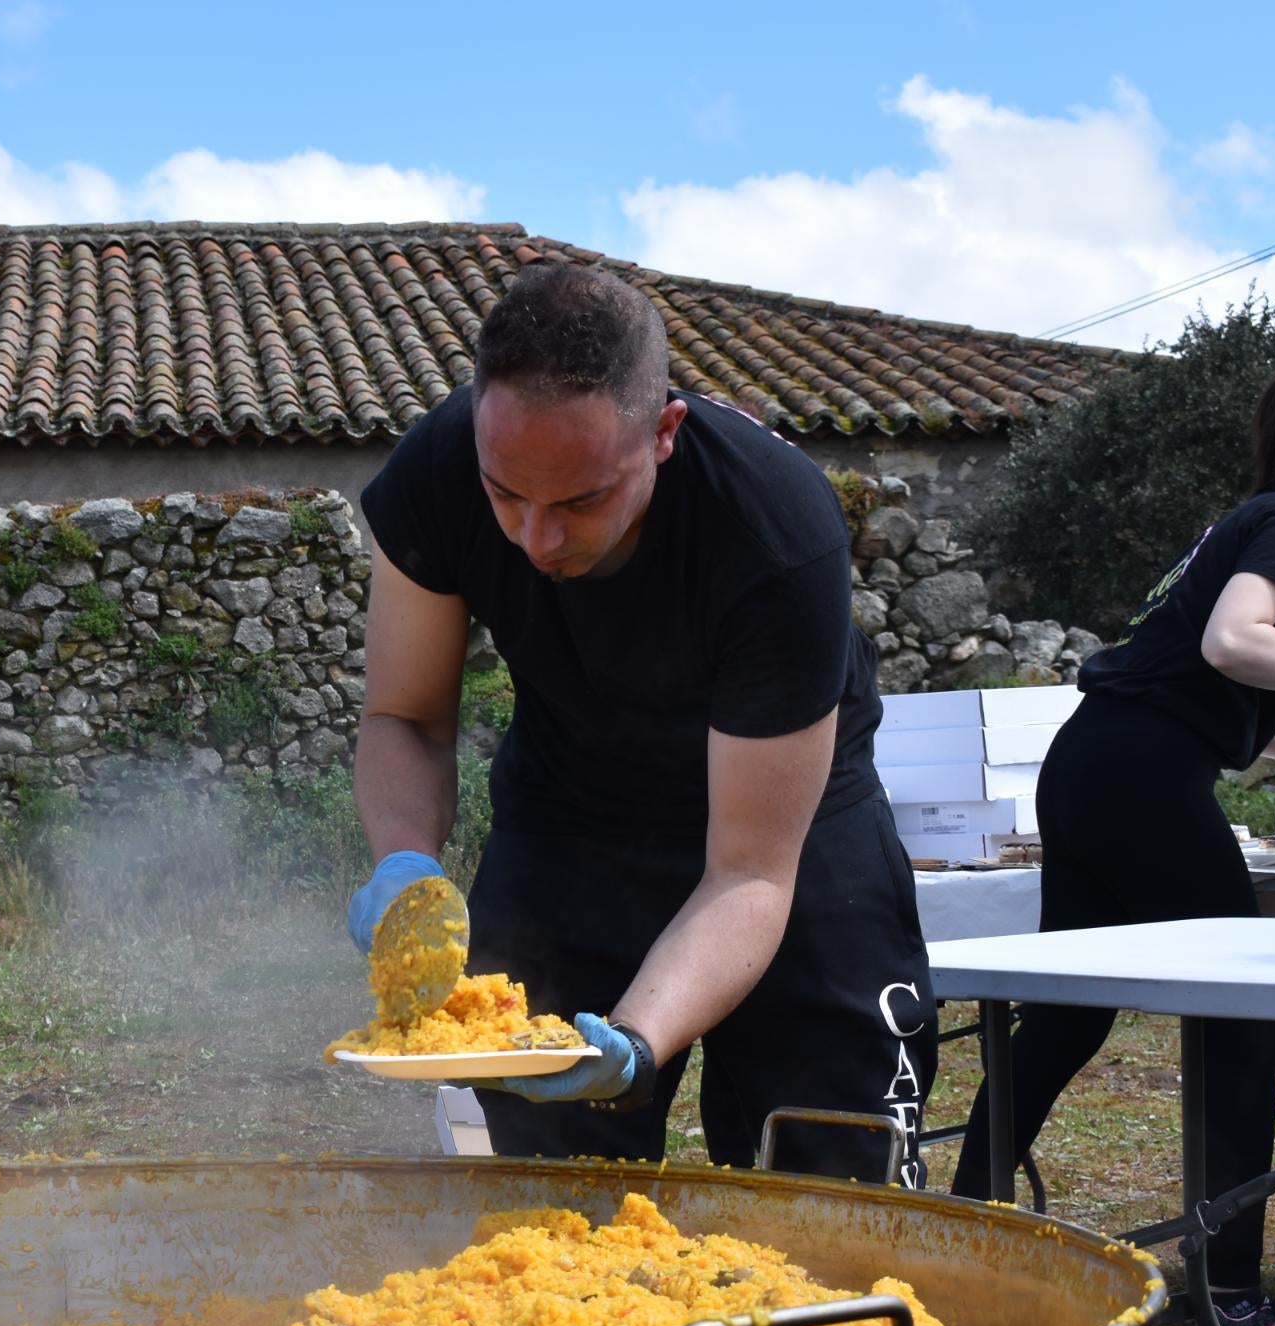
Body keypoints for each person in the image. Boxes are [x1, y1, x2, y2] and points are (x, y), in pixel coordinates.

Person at [343, 262, 937, 1184]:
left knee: (828, 1183)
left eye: (581, 501)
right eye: (507, 495)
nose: (535, 541)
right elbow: (405, 717)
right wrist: (404, 859)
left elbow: (747, 873)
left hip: (787, 838)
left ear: (662, 435)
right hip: (571, 819)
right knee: (555, 1203)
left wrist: (636, 1042)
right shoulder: (437, 473)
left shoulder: (774, 531)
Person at [950, 362, 1275, 1326]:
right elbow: (1234, 644)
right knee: (1242, 1017)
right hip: (1138, 776)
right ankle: (1232, 1302)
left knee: (1069, 1010)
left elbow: (1250, 721)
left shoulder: (1242, 525)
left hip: (1094, 763)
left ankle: (959, 1228)